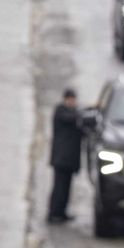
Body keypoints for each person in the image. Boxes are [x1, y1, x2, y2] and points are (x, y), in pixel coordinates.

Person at [47, 88, 83, 223]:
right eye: (71, 99)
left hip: (70, 159)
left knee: (66, 188)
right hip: (61, 158)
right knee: (59, 188)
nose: (73, 102)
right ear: (66, 99)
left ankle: (61, 213)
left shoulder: (74, 113)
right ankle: (53, 213)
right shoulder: (61, 111)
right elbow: (70, 118)